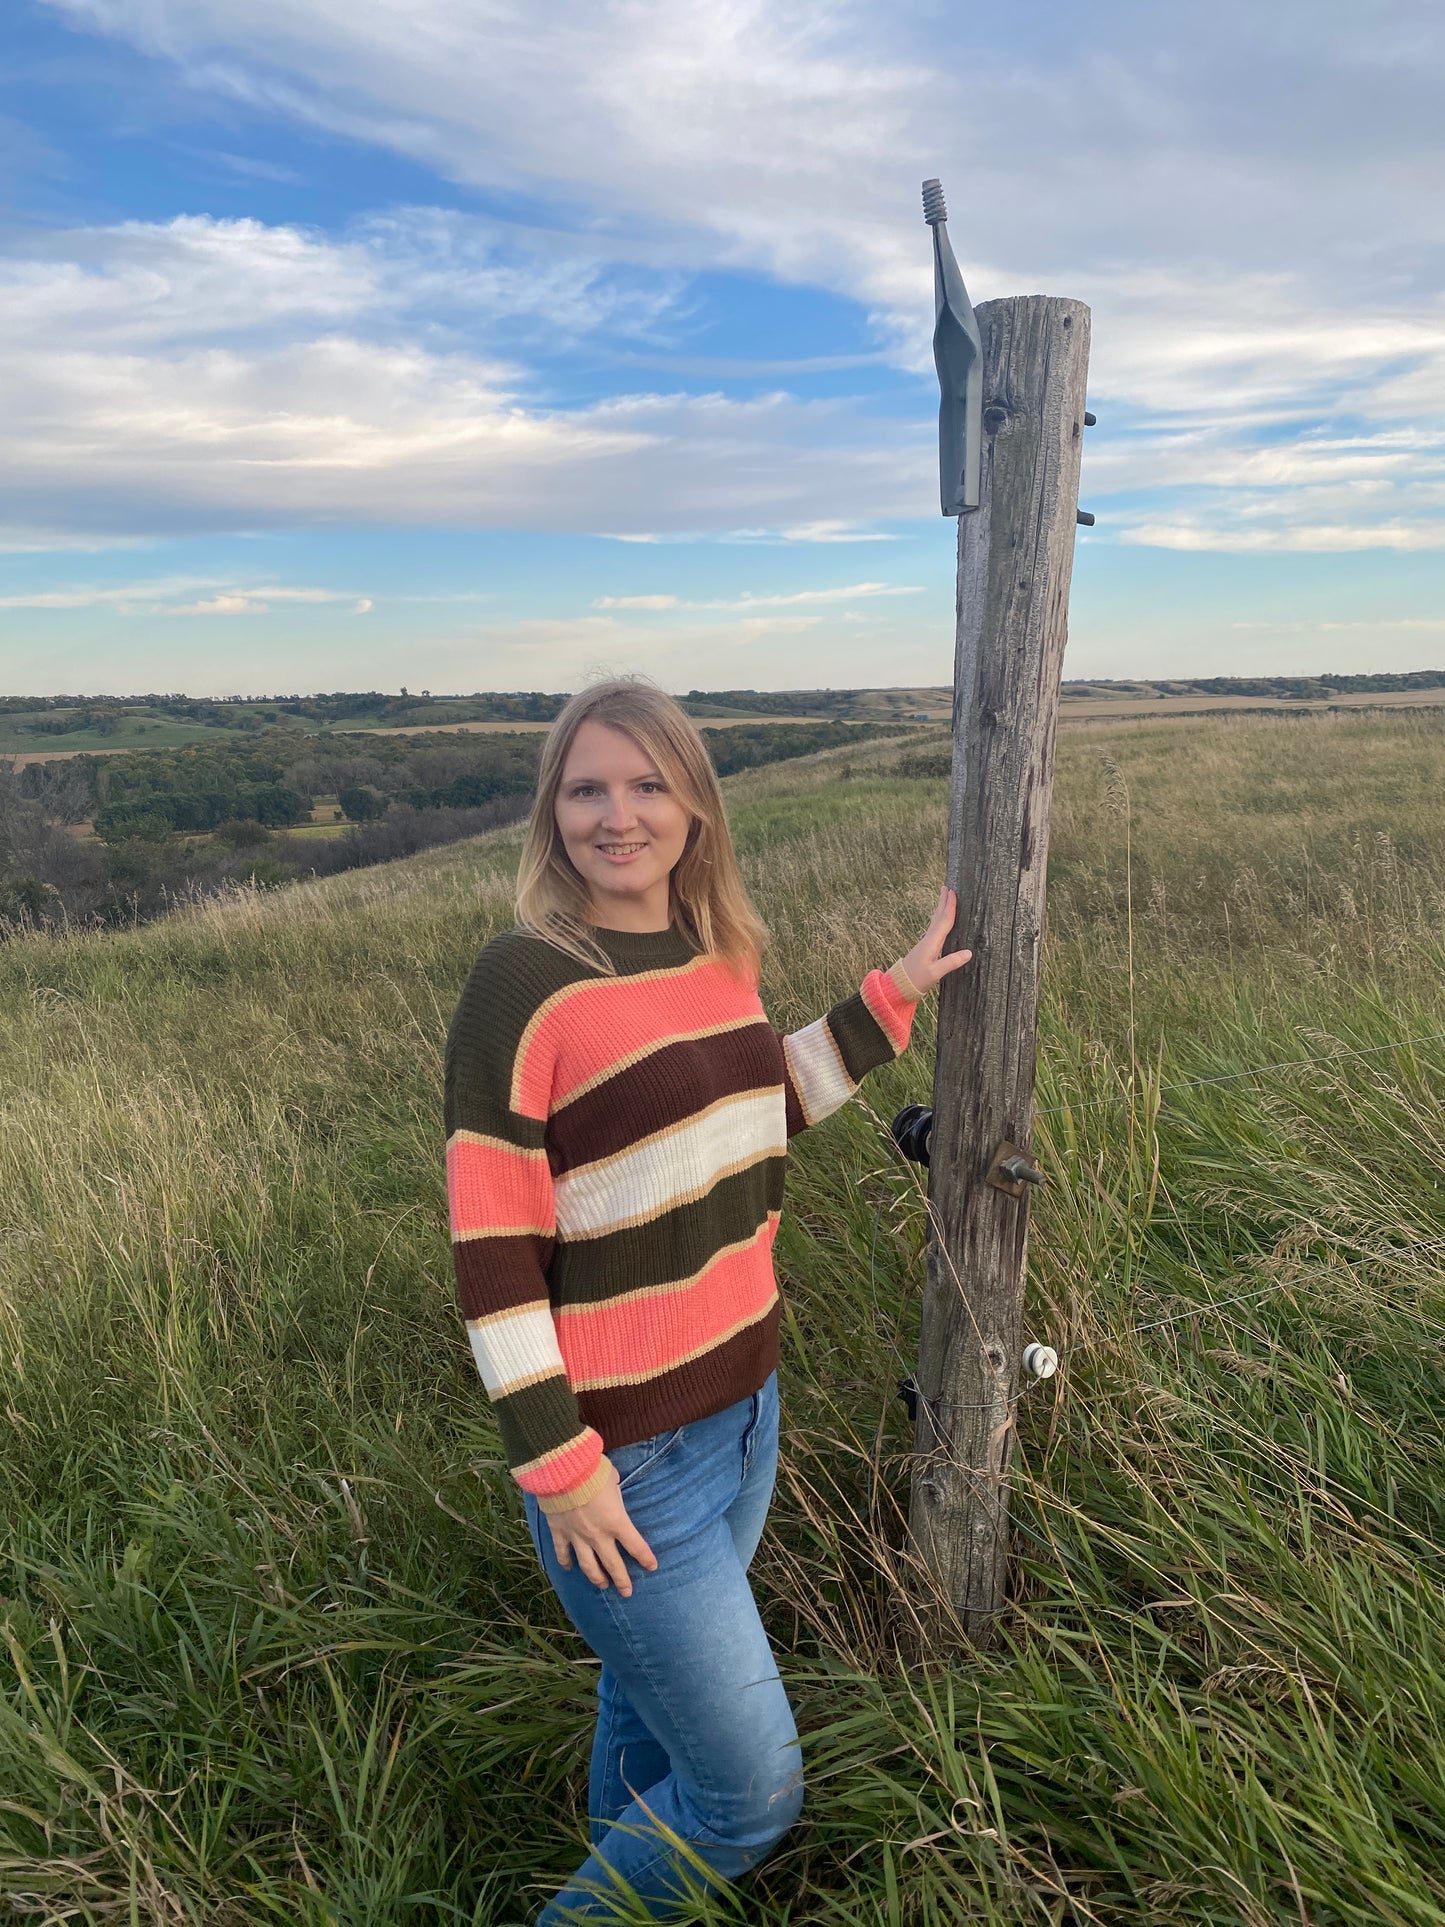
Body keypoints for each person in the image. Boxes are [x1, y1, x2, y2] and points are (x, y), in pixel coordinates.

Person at [443, 678, 971, 1922]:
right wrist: (558, 1465)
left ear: (693, 807)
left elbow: (741, 1117)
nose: (614, 816)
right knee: (746, 1795)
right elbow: (492, 1247)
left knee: (644, 1715)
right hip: (621, 1461)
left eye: (644, 785)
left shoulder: (708, 953)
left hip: (743, 1412)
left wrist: (883, 1000)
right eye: (585, 788)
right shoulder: (522, 982)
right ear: (550, 810)